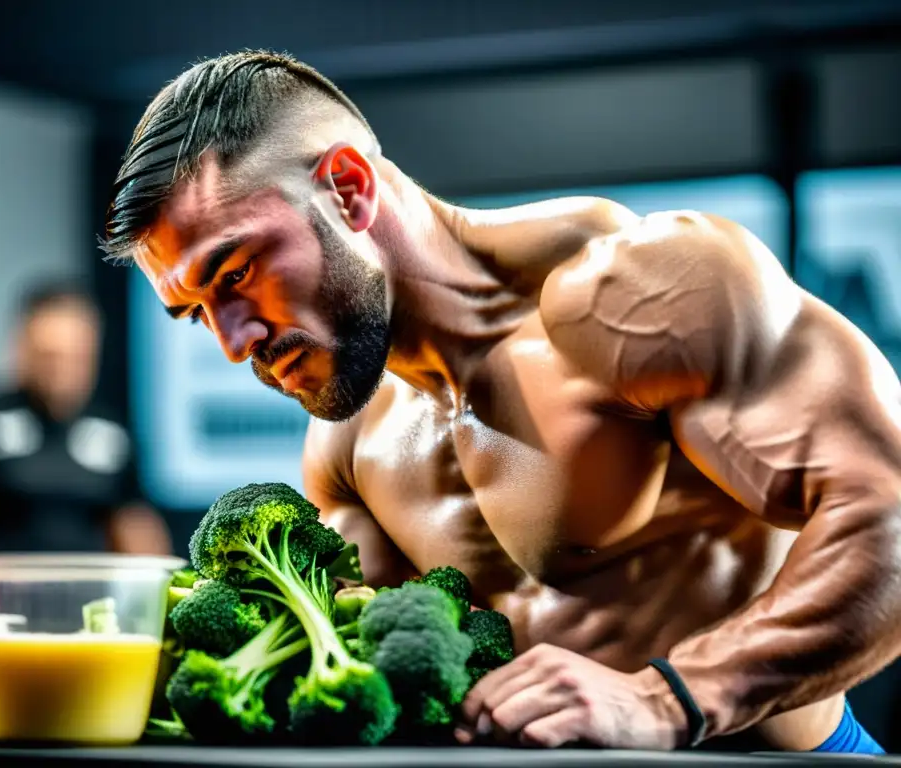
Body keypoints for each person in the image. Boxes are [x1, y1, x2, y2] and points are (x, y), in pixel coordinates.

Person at [100, 51, 899, 754]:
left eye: (235, 273)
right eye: (196, 311)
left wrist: (666, 698)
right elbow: (367, 680)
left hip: (776, 764)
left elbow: (890, 512)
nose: (232, 341)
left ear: (347, 188)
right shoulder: (350, 441)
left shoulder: (637, 294)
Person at [0, 280, 171, 612]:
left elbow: (142, 544)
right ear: (19, 347)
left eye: (77, 357)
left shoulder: (112, 435)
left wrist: (148, 616)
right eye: (50, 356)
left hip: (90, 625)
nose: (64, 371)